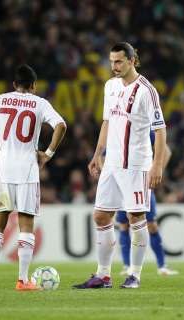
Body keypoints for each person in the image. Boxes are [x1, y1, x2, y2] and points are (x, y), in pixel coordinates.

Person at [73, 42, 167, 289]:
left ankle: (134, 275)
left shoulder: (147, 91)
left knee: (136, 217)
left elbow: (160, 130)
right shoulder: (110, 86)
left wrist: (157, 166)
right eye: (111, 61)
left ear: (132, 60)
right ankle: (103, 275)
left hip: (136, 165)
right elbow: (107, 122)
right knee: (101, 215)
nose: (113, 66)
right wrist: (97, 154)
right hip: (111, 164)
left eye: (118, 61)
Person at [0, 64, 67, 291]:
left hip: (2, 169)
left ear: (14, 84)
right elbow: (61, 125)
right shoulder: (40, 103)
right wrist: (48, 154)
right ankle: (22, 281)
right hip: (27, 170)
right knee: (25, 224)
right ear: (34, 86)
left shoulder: (0, 100)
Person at [117, 134, 178, 276]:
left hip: (142, 182)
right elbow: (103, 155)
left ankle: (162, 265)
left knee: (151, 224)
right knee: (124, 225)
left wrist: (157, 171)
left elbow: (166, 151)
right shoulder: (118, 126)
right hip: (123, 184)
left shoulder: (143, 128)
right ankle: (127, 266)